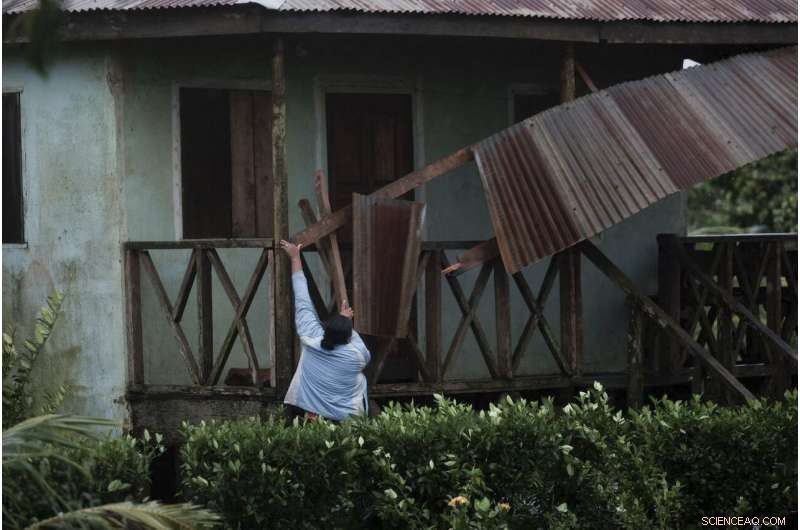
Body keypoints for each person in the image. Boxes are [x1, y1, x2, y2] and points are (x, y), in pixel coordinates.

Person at [279, 239, 371, 422]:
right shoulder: (356, 355)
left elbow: (302, 297)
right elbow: (357, 342)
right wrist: (346, 320)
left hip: (308, 410)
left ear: (326, 329)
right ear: (348, 336)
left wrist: (295, 258)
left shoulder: (310, 337)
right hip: (345, 418)